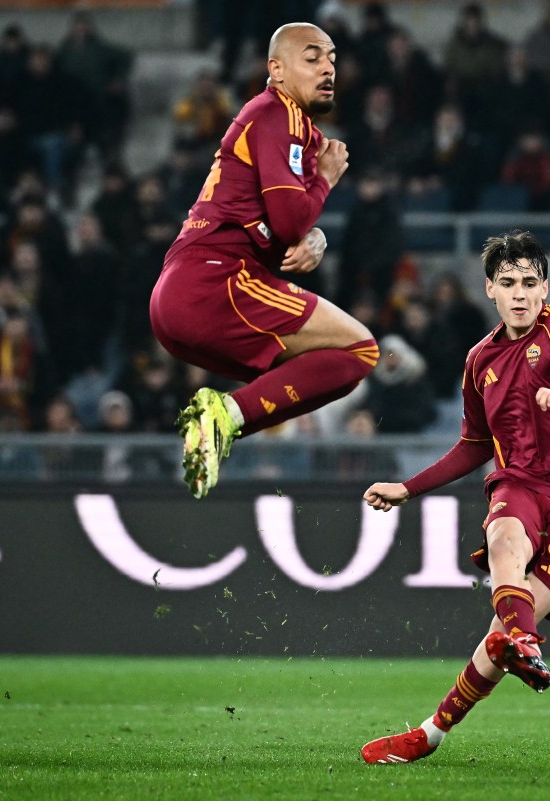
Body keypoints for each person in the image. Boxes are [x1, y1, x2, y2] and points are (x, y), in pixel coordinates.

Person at [359, 230, 550, 765]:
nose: (520, 293)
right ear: (490, 288)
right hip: (522, 480)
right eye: (509, 282)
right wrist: (407, 488)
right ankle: (525, 644)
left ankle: (432, 732)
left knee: (505, 629)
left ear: (545, 288)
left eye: (530, 283)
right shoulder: (479, 360)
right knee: (504, 537)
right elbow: (474, 445)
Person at [150, 23, 380, 499]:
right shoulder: (279, 113)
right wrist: (326, 181)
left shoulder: (291, 129)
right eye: (312, 58)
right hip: (216, 283)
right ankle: (224, 418)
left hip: (183, 295)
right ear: (276, 69)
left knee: (316, 367)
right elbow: (291, 220)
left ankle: (218, 428)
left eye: (332, 59)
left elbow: (285, 224)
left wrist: (315, 237)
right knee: (359, 349)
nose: (328, 68)